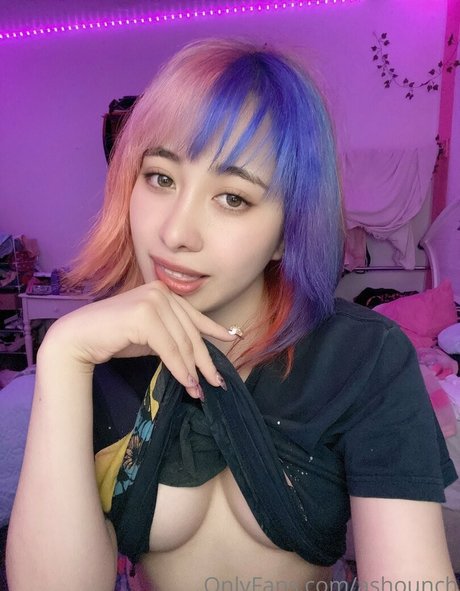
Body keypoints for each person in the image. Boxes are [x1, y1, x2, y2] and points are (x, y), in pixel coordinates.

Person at [6, 38, 458, 591]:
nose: (175, 233)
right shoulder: (101, 356)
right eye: (161, 178)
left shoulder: (364, 358)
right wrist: (63, 352)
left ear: (288, 230)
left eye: (233, 198)